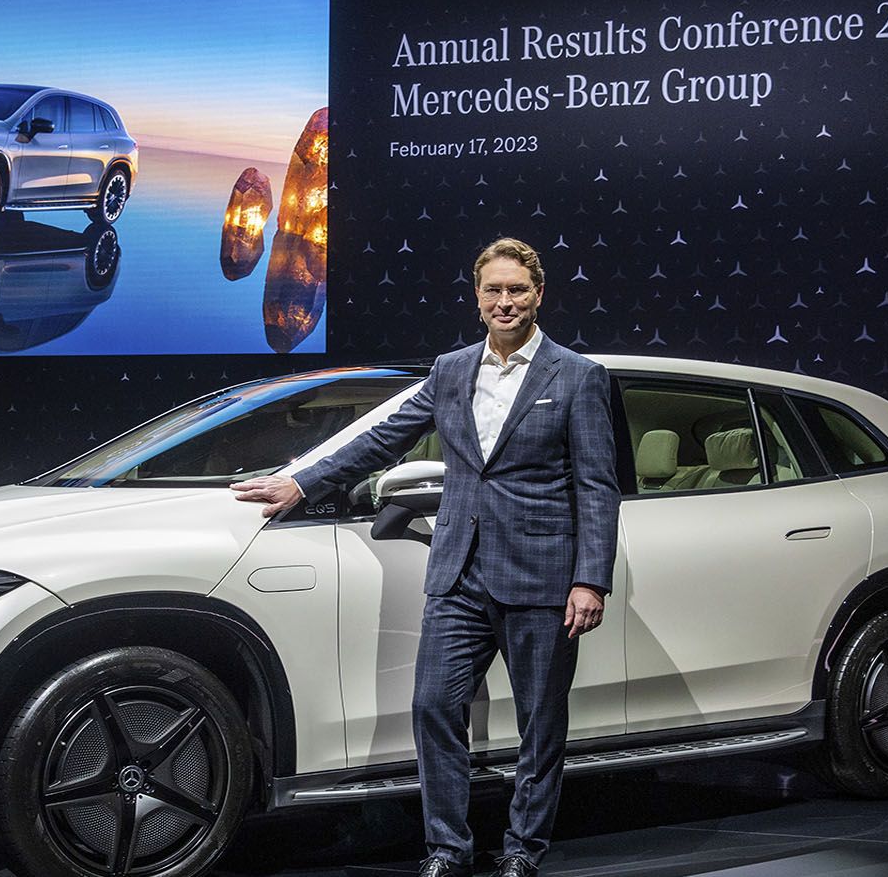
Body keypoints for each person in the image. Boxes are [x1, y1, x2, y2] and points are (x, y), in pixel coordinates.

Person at [233, 237, 620, 877]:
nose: (505, 301)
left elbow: (597, 486)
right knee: (434, 708)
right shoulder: (451, 369)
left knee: (540, 725)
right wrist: (303, 482)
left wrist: (590, 579)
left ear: (538, 295)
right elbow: (384, 438)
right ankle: (447, 847)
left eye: (516, 290)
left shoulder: (576, 376)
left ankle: (524, 850)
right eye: (493, 290)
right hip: (459, 573)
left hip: (543, 577)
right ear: (476, 297)